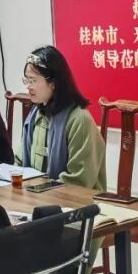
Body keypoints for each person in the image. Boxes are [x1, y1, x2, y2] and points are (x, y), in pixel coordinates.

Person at [20, 46, 107, 191]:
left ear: (53, 83)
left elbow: (78, 180)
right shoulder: (36, 115)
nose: (28, 87)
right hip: (38, 196)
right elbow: (20, 160)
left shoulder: (79, 120)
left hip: (75, 201)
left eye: (33, 81)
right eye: (27, 80)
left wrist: (39, 191)